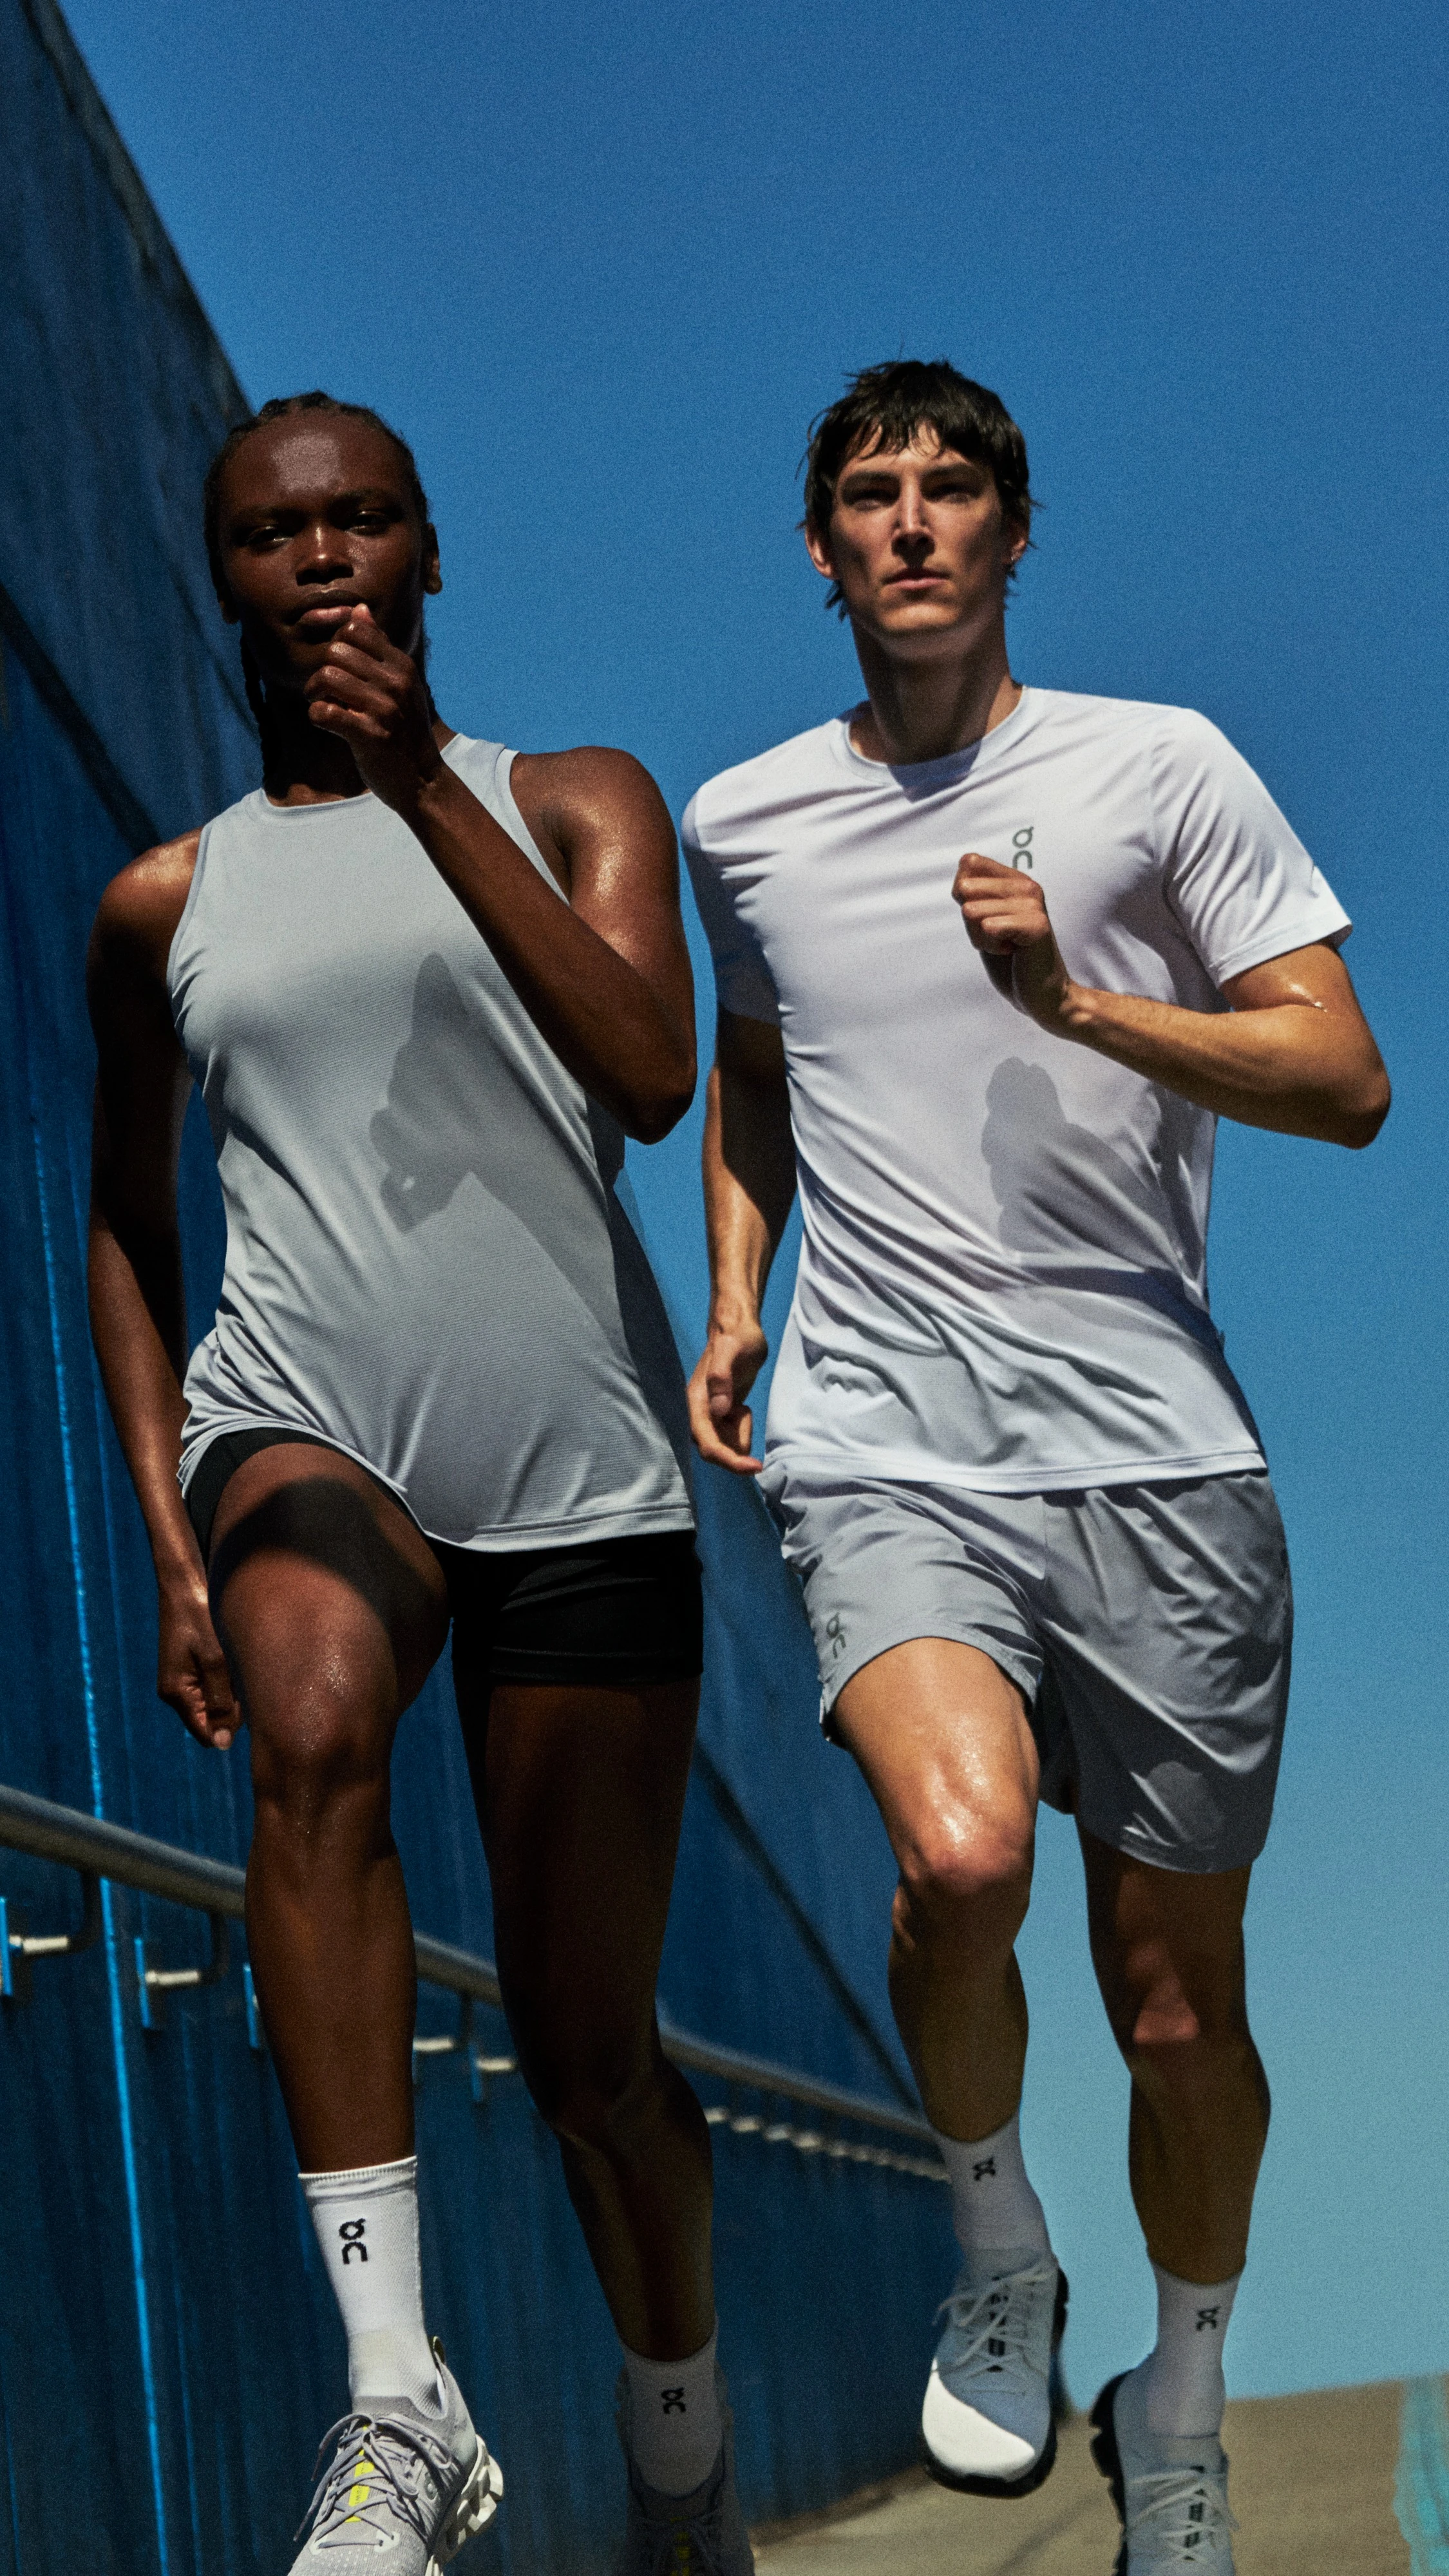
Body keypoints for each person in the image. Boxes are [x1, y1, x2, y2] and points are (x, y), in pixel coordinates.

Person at [683, 359, 1388, 2574]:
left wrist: (1083, 1007)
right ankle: (1002, 2243)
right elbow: (758, 1053)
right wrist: (738, 1291)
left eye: (951, 489)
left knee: (1180, 2013)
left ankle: (1172, 2401)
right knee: (960, 1864)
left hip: (1159, 1460)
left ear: (1014, 527)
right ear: (819, 549)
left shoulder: (1156, 770)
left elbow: (1346, 1076)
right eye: (871, 496)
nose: (911, 526)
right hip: (885, 1438)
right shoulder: (746, 822)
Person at [88, 390, 754, 2576]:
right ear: (232, 584)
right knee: (310, 1734)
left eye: (367, 518)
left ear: (431, 550)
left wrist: (415, 792)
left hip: (573, 1465)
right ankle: (400, 2402)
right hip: (307, 1420)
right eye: (282, 535)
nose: (330, 556)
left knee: (588, 2067)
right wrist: (178, 1527)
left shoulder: (573, 805)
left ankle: (681, 2457)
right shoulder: (166, 899)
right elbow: (123, 1220)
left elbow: (656, 1073)